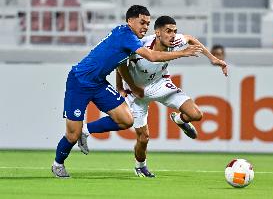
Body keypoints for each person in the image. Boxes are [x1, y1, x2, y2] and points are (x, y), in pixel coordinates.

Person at [52, 6, 203, 178]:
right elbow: (152, 57)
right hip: (79, 81)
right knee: (72, 135)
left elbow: (120, 64)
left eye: (148, 23)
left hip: (98, 83)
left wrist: (120, 87)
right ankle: (58, 164)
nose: (145, 26)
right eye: (142, 22)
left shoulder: (130, 38)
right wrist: (182, 53)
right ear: (130, 21)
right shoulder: (126, 36)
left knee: (126, 120)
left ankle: (86, 130)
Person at [78, 15, 228, 177]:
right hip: (136, 93)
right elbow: (121, 65)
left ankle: (179, 120)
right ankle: (140, 166)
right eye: (168, 31)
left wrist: (213, 59)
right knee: (143, 138)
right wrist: (127, 87)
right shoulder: (141, 45)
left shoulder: (175, 41)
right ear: (157, 33)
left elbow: (191, 39)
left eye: (174, 31)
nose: (172, 35)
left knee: (196, 114)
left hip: (160, 84)